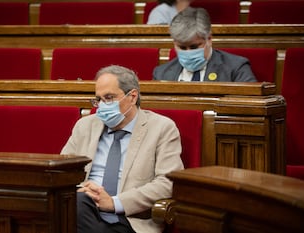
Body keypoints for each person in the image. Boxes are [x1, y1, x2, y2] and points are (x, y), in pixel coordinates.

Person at [61, 65, 184, 233]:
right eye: (99, 100)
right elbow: (63, 172)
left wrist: (114, 203)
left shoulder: (162, 128)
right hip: (84, 208)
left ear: (132, 97)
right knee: (75, 202)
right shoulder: (85, 126)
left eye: (109, 98)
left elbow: (168, 182)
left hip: (129, 219)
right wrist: (86, 191)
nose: (102, 106)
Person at [153, 7, 257, 82]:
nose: (188, 52)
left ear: (209, 39)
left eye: (194, 47)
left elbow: (249, 107)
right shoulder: (161, 73)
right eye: (182, 47)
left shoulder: (236, 68)